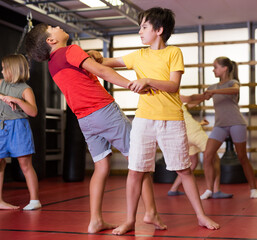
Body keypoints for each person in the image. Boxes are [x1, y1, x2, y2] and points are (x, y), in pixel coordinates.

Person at [95, 7, 220, 235]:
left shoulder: (173, 53)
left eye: (144, 27)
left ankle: (201, 216)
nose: (139, 31)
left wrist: (148, 81)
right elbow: (106, 61)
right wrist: (93, 56)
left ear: (159, 30)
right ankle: (130, 220)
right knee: (135, 171)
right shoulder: (138, 55)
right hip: (143, 121)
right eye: (139, 27)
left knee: (184, 170)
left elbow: (173, 86)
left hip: (171, 120)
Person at [24, 23, 159, 233]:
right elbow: (101, 70)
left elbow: (84, 71)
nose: (58, 25)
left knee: (101, 167)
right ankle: (150, 212)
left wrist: (91, 55)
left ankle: (95, 220)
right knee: (138, 160)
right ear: (51, 40)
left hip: (84, 119)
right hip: (104, 111)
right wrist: (130, 85)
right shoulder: (70, 50)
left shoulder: (53, 64)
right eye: (53, 27)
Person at [188, 57, 257, 200]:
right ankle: (209, 190)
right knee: (208, 155)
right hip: (220, 125)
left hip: (236, 123)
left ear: (225, 68)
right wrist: (184, 99)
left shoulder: (233, 83)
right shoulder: (212, 87)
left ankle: (253, 188)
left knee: (242, 157)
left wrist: (215, 93)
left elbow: (235, 90)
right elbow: (197, 99)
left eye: (215, 67)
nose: (213, 70)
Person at [0, 54, 41, 211]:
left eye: (4, 68)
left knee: (25, 165)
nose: (1, 71)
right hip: (1, 127)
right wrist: (3, 97)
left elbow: (33, 111)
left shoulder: (25, 89)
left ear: (13, 70)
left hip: (19, 127)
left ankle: (34, 200)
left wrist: (19, 101)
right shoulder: (1, 84)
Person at [168, 95, 232, 199]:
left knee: (192, 163)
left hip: (185, 135)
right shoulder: (172, 93)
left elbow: (186, 109)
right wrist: (208, 94)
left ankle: (173, 189)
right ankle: (215, 190)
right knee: (214, 157)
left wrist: (204, 99)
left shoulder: (166, 103)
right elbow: (188, 99)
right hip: (195, 133)